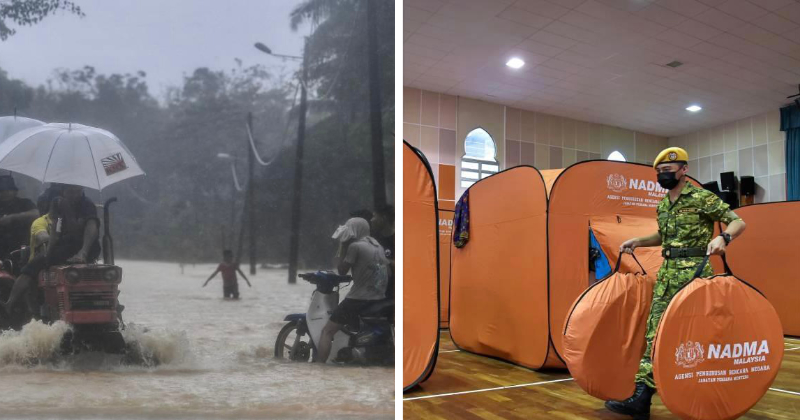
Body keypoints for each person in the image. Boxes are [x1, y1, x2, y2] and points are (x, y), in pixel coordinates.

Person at [604, 147, 747, 419]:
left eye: (668, 171)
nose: (663, 176)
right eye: (659, 173)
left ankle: (707, 390)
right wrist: (639, 241)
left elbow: (737, 222)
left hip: (695, 275)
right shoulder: (662, 204)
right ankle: (641, 398)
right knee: (655, 332)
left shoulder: (702, 197)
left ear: (683, 170)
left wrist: (723, 238)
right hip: (667, 276)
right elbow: (662, 236)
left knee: (698, 335)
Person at [1, 183, 102, 313]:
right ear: (63, 191)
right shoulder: (57, 203)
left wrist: (83, 252)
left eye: (76, 191)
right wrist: (49, 252)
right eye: (69, 191)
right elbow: (55, 229)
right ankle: (10, 304)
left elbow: (91, 227)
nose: (73, 195)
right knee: (30, 268)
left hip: (87, 245)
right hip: (67, 244)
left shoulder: (87, 204)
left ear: (81, 190)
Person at [317, 217, 388, 363]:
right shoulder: (377, 246)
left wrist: (342, 245)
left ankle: (319, 367)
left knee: (327, 331)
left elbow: (342, 270)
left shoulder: (355, 247)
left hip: (358, 299)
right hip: (378, 298)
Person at [0, 175, 38, 259]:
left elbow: (35, 214)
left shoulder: (25, 203)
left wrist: (12, 218)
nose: (5, 193)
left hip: (21, 247)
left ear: (15, 191)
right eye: (2, 191)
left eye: (8, 190)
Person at [371, 205, 394, 298]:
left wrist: (384, 261)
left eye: (374, 216)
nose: (371, 220)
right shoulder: (373, 239)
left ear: (383, 218)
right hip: (375, 293)